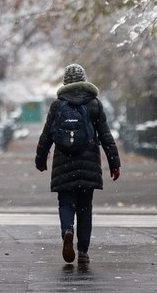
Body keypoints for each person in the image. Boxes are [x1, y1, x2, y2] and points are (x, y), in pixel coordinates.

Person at [35, 63, 121, 265]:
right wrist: (114, 163)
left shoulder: (57, 105)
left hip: (63, 162)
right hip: (88, 162)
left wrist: (40, 159)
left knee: (66, 203)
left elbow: (46, 134)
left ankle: (67, 230)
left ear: (65, 82)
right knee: (85, 208)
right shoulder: (94, 104)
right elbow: (106, 136)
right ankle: (83, 251)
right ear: (83, 80)